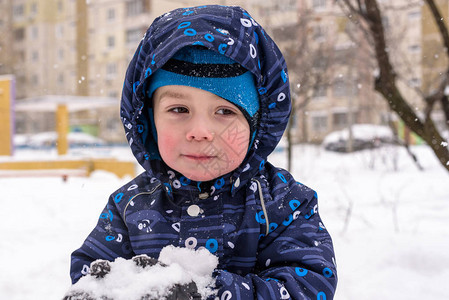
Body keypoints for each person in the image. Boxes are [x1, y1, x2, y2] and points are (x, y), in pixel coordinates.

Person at [70, 5, 337, 299]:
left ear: (258, 125)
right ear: (149, 120)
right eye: (179, 109)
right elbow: (91, 271)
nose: (200, 131)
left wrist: (209, 293)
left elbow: (307, 286)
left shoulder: (284, 204)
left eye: (224, 110)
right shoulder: (129, 207)